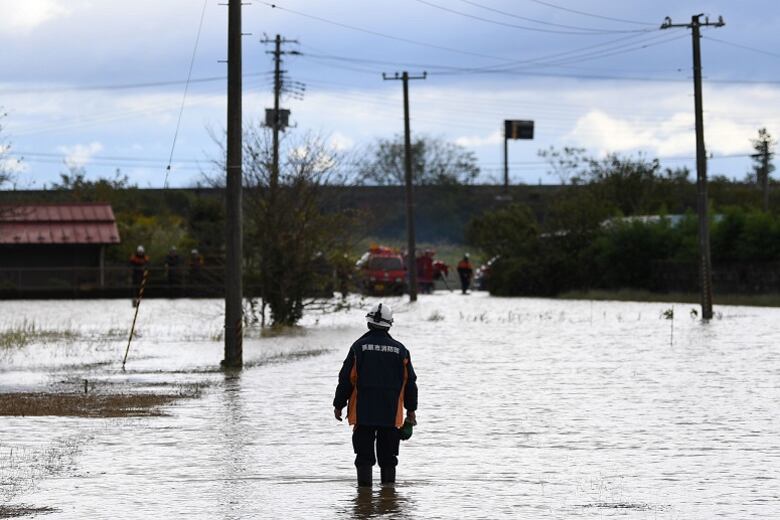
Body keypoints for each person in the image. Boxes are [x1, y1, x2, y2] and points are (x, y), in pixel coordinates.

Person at [333, 303, 418, 488]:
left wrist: (339, 404)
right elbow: (410, 382)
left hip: (363, 413)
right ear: (389, 325)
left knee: (364, 457)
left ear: (368, 323)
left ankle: (364, 496)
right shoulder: (401, 350)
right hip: (390, 413)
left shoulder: (358, 347)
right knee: (388, 458)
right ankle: (389, 496)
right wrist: (411, 411)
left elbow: (346, 379)